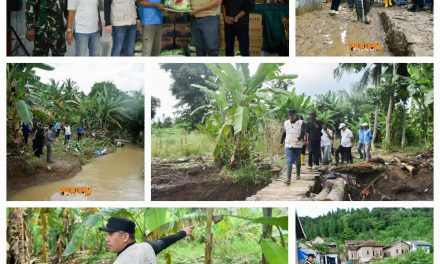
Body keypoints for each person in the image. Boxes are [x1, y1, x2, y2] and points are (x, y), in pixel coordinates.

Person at [99, 216, 194, 263]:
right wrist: (183, 232)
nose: (107, 239)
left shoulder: (122, 261)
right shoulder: (146, 247)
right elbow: (164, 242)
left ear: (125, 237)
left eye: (110, 234)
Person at [280, 109, 306, 184]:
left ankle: (298, 174)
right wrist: (281, 142)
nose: (290, 117)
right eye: (289, 116)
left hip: (297, 146)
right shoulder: (286, 123)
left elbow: (302, 133)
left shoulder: (301, 123)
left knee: (298, 161)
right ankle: (288, 179)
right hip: (288, 145)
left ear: (295, 115)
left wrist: (299, 138)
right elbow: (284, 133)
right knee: (289, 161)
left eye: (292, 115)